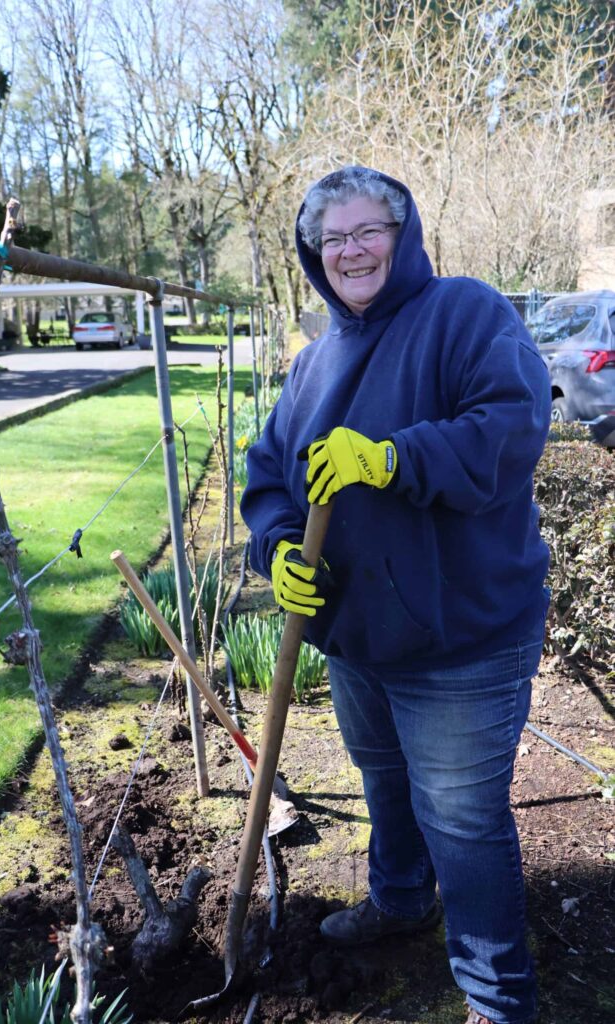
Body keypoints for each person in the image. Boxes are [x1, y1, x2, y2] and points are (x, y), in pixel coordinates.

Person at [240, 166, 551, 1024]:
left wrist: (391, 459)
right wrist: (275, 551)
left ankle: (496, 996)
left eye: (365, 231)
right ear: (313, 255)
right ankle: (400, 898)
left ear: (402, 232)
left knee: (461, 818)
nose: (349, 251)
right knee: (381, 777)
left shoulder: (467, 313)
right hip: (355, 632)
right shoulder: (311, 364)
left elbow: (513, 426)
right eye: (329, 239)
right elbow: (267, 472)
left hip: (463, 635)